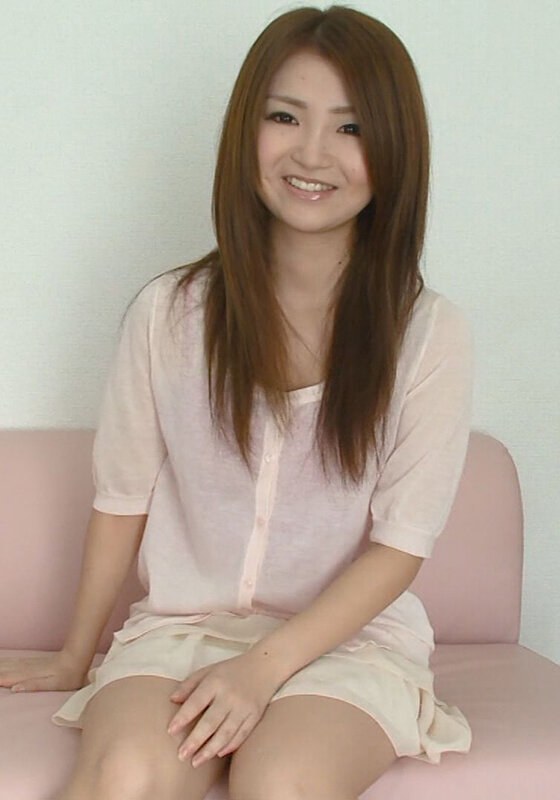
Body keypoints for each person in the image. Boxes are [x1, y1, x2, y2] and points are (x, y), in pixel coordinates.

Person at [0, 5, 475, 799]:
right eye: (285, 117)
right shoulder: (168, 315)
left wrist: (261, 670)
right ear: (245, 131)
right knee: (123, 775)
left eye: (351, 128)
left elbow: (399, 547)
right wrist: (74, 656)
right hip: (180, 634)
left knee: (283, 781)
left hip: (347, 648)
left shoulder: (429, 335)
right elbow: (122, 501)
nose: (312, 153)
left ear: (395, 150)